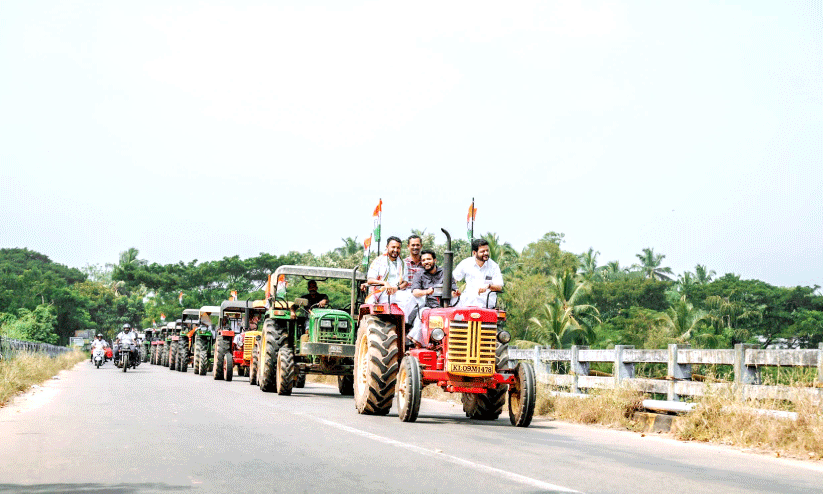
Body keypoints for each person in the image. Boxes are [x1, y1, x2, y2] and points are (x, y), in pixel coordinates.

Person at [407, 250, 460, 347]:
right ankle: (420, 344)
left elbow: (453, 290)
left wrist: (455, 293)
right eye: (423, 260)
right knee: (423, 315)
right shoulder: (419, 274)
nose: (426, 262)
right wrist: (427, 292)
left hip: (446, 307)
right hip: (428, 306)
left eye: (428, 259)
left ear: (434, 260)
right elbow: (415, 292)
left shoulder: (445, 273)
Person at [366, 236, 416, 324]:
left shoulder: (403, 263)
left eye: (398, 248)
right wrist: (385, 283)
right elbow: (370, 280)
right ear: (387, 247)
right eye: (393, 247)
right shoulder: (378, 261)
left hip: (397, 292)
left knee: (415, 298)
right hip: (381, 292)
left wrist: (397, 288)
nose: (395, 250)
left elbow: (405, 282)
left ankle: (406, 324)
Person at [453, 238, 504, 308]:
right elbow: (453, 279)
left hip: (487, 306)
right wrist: (454, 289)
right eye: (482, 251)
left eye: (487, 251)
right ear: (474, 253)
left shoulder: (494, 266)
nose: (486, 253)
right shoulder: (466, 263)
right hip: (467, 304)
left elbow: (499, 287)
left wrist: (488, 286)